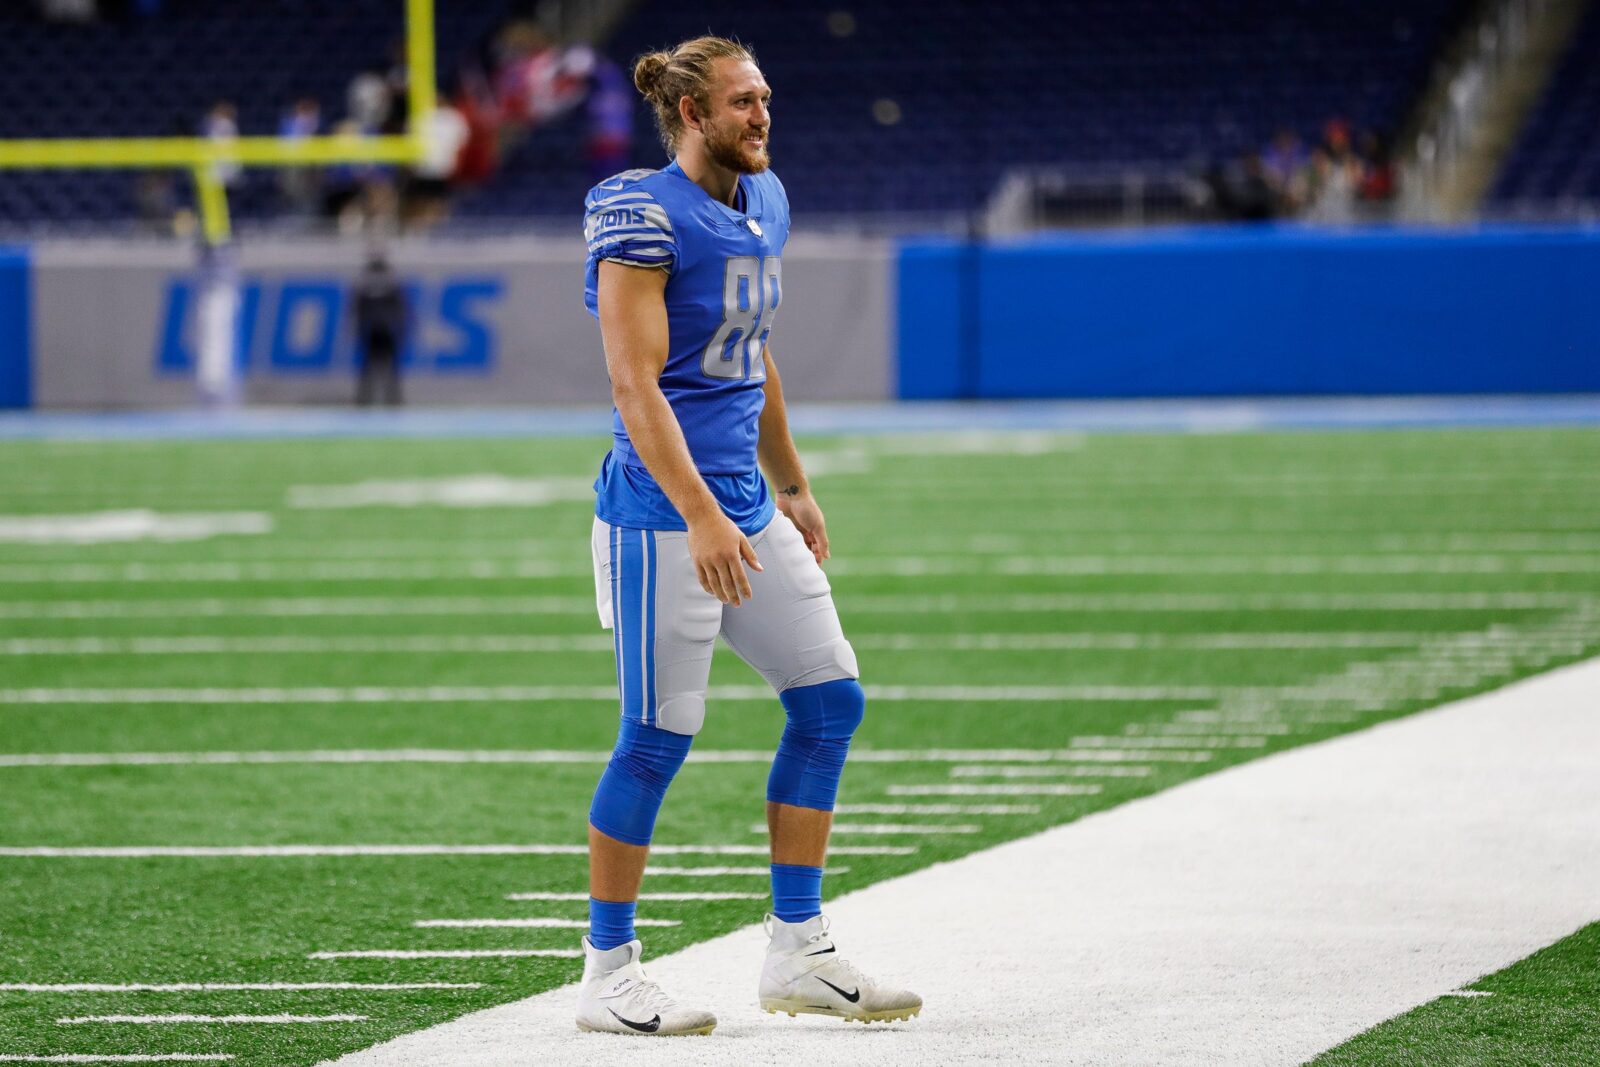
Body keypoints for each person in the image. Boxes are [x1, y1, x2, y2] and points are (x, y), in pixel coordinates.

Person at [575, 35, 921, 1037]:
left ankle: (797, 946)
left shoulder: (764, 200)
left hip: (741, 500)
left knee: (828, 701)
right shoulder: (639, 212)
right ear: (691, 115)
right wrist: (699, 516)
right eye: (742, 102)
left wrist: (791, 482)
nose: (763, 115)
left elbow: (749, 351)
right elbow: (635, 384)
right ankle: (606, 969)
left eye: (765, 97)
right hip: (660, 512)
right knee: (656, 734)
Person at [352, 254, 406, 405]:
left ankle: (369, 399)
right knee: (382, 368)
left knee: (374, 368)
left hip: (375, 330)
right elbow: (399, 310)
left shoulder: (366, 286)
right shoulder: (390, 285)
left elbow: (358, 311)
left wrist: (358, 329)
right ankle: (388, 399)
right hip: (383, 330)